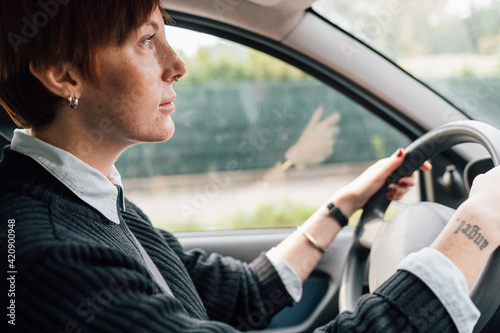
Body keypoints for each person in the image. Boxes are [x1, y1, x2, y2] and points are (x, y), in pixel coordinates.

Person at [0, 1, 498, 332]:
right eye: (147, 40)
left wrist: (344, 205)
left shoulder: (91, 201)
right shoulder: (50, 254)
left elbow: (238, 294)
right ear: (63, 74)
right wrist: (476, 226)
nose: (177, 64)